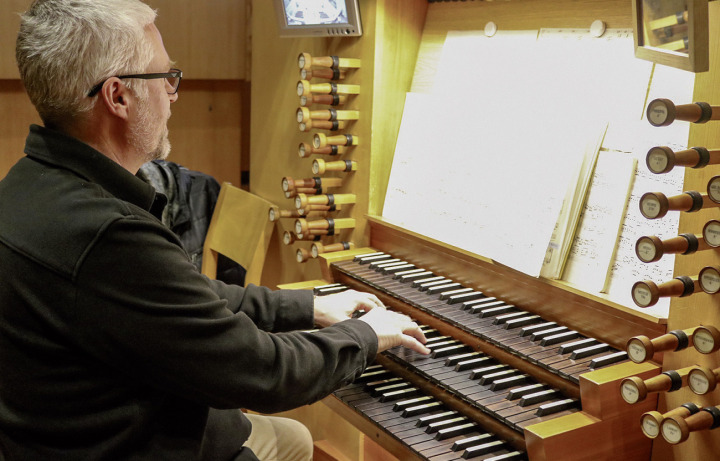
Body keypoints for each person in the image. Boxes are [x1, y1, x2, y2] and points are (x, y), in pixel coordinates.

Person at [0, 1, 430, 460]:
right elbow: (263, 373)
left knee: (295, 439)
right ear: (118, 97)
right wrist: (368, 335)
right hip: (130, 446)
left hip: (72, 433)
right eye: (164, 77)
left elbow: (176, 297)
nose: (173, 92)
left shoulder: (27, 184)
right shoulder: (107, 234)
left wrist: (310, 306)